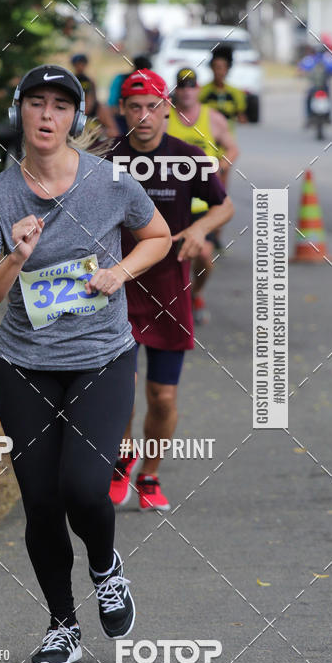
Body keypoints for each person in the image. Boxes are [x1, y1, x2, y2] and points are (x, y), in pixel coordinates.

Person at [0, 64, 171, 663]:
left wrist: (119, 273)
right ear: (20, 113)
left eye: (60, 105)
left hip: (101, 358)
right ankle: (63, 627)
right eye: (37, 103)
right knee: (40, 501)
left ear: (75, 118)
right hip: (25, 364)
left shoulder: (110, 183)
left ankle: (105, 567)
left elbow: (157, 236)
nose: (47, 115)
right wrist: (14, 256)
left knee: (83, 487)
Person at [105, 68, 233, 510]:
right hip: (116, 290)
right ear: (122, 111)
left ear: (167, 109)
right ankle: (120, 463)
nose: (144, 116)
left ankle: (151, 475)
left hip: (169, 291)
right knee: (121, 392)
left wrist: (199, 229)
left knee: (162, 396)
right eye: (135, 107)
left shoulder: (188, 156)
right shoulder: (104, 159)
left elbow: (224, 206)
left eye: (153, 107)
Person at [167, 67, 238, 323]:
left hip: (202, 204)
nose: (186, 92)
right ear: (176, 91)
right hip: (170, 202)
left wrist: (222, 165)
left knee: (204, 255)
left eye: (191, 86)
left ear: (197, 90)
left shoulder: (213, 118)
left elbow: (232, 148)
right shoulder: (164, 117)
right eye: (182, 87)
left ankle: (195, 293)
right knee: (167, 259)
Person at [70, 52, 120, 137]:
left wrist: (97, 132)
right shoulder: (71, 111)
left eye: (87, 96)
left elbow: (115, 133)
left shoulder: (100, 109)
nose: (86, 101)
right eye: (82, 98)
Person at [199, 45, 247, 127]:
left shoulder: (236, 93)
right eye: (216, 67)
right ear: (212, 68)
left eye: (222, 68)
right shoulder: (202, 91)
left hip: (227, 133)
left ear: (227, 69)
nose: (219, 72)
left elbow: (242, 118)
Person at [108, 55, 151, 135]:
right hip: (122, 121)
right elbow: (112, 107)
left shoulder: (120, 79)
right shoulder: (121, 79)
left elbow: (111, 104)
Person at [298, 44, 332, 124]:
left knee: (309, 99)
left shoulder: (310, 58)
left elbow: (301, 68)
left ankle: (309, 117)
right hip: (324, 86)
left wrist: (301, 73)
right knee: (329, 99)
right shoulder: (328, 58)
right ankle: (328, 117)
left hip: (315, 86)